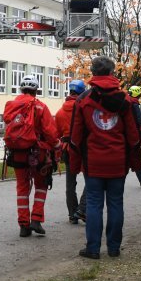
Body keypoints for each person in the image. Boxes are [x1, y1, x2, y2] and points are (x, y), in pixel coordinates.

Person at [70, 56, 140, 259]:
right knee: (116, 203)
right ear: (112, 73)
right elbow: (133, 137)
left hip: (93, 162)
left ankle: (92, 248)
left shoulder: (83, 100)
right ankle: (114, 247)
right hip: (118, 162)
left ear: (93, 72)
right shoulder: (126, 100)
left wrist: (74, 166)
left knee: (93, 204)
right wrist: (135, 165)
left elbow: (75, 137)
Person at [3, 75, 60, 237]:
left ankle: (23, 225)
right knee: (41, 185)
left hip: (17, 154)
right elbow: (50, 132)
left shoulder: (12, 106)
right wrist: (57, 147)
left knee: (22, 188)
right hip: (38, 154)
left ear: (21, 89)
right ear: (36, 90)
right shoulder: (40, 107)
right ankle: (36, 219)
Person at [56, 79, 86, 223]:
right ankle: (82, 209)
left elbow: (56, 133)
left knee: (70, 183)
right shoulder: (84, 107)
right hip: (83, 147)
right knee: (92, 180)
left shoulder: (60, 112)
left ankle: (72, 214)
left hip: (68, 149)